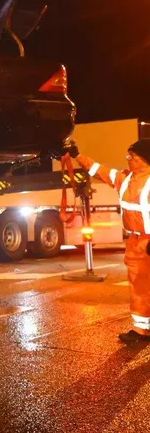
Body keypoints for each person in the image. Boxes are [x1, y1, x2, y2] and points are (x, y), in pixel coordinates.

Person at [60, 139, 150, 343]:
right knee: (139, 287)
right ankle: (141, 331)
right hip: (136, 243)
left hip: (147, 240)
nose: (128, 160)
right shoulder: (125, 179)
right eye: (128, 156)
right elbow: (98, 170)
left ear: (145, 159)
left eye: (132, 157)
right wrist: (76, 155)